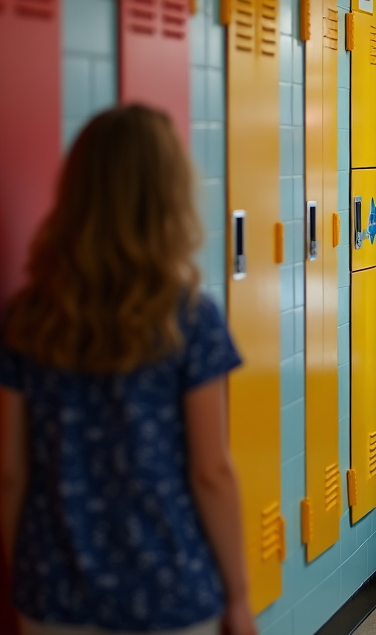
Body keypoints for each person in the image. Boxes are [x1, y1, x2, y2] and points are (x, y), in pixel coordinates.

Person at [0, 106, 257, 635]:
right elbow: (211, 471)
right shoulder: (190, 318)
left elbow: (9, 473)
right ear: (170, 195)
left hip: (53, 593)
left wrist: (28, 574)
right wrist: (238, 596)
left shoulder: (26, 319)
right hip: (170, 590)